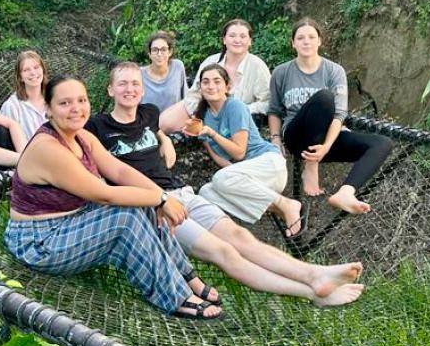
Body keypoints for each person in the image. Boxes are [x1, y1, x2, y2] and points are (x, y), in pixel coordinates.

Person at [87, 62, 365, 306]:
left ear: (142, 88)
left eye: (135, 83)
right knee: (224, 252)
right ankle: (312, 293)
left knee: (241, 237)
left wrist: (165, 140)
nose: (129, 89)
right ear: (110, 89)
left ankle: (315, 275)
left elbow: (156, 129)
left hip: (182, 192)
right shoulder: (95, 128)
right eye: (122, 83)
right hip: (152, 206)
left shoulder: (148, 113)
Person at [4, 74, 223, 319]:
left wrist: (159, 195)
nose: (76, 108)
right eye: (65, 103)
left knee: (142, 203)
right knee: (125, 216)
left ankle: (185, 277)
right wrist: (161, 200)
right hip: (39, 241)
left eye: (81, 100)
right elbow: (105, 195)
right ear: (49, 109)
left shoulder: (82, 137)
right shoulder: (48, 147)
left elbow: (120, 170)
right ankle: (176, 296)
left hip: (72, 222)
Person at [268, 18, 395, 213]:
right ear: (293, 43)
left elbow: (339, 114)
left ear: (319, 41)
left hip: (328, 140)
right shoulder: (281, 72)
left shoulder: (334, 70)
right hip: (296, 137)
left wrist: (326, 147)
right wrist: (276, 140)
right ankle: (310, 166)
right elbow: (275, 111)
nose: (306, 41)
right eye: (300, 37)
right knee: (324, 98)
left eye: (312, 37)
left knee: (382, 143)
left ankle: (345, 193)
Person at [188, 64, 307, 238]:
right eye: (205, 82)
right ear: (200, 87)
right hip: (246, 178)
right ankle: (242, 234)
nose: (211, 86)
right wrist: (201, 135)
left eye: (216, 81)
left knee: (221, 178)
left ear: (227, 86)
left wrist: (212, 133)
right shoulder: (203, 116)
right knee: (206, 192)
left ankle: (287, 204)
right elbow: (222, 160)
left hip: (268, 165)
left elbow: (239, 153)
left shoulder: (235, 106)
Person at [159, 19, 271, 133]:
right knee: (165, 123)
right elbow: (194, 94)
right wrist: (196, 114)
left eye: (243, 36)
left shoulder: (257, 66)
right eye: (232, 36)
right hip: (206, 110)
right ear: (224, 40)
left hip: (238, 116)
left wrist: (243, 110)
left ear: (250, 41)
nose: (237, 40)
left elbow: (267, 102)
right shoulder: (211, 61)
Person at [0, 50, 49, 142]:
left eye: (36, 67)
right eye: (26, 70)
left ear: (43, 70)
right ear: (20, 77)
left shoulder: (54, 98)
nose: (33, 73)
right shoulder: (12, 106)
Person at [140, 31, 189, 112]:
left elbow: (186, 99)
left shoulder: (178, 67)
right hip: (148, 123)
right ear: (149, 53)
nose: (159, 54)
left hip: (175, 122)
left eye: (163, 49)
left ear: (170, 52)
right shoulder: (140, 75)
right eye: (155, 50)